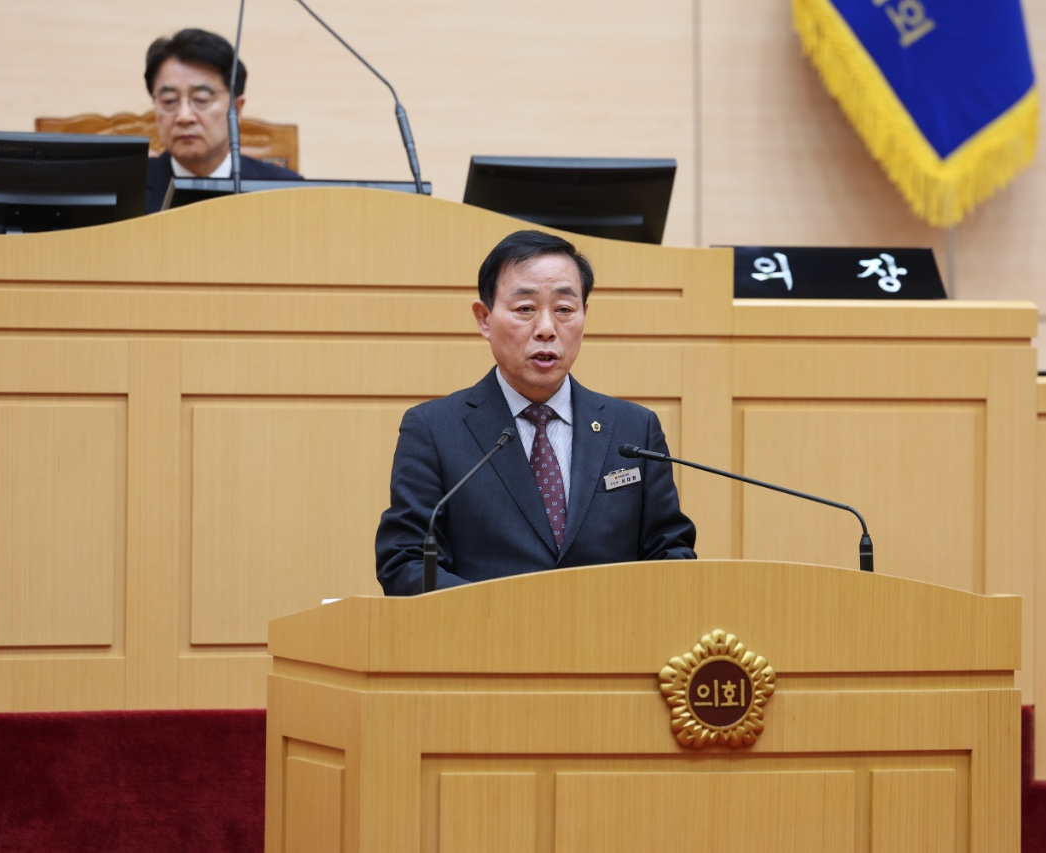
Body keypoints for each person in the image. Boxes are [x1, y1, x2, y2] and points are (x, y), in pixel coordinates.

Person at [375, 229, 697, 595]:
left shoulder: (634, 430)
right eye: (525, 309)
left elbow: (671, 551)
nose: (546, 329)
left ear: (584, 316)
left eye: (564, 310)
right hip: (485, 643)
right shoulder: (434, 430)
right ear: (484, 318)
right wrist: (513, 617)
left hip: (611, 642)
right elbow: (406, 562)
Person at [143, 28, 301, 214]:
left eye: (201, 99)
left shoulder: (285, 191)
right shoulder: (125, 190)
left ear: (236, 109)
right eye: (169, 101)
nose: (184, 116)